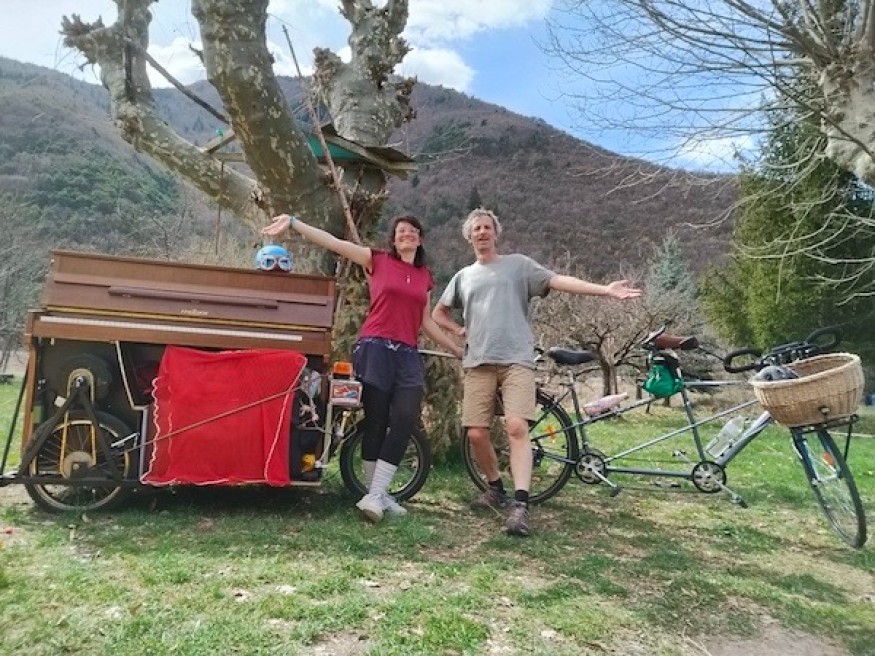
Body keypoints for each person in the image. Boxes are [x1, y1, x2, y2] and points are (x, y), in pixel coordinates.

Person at [431, 207, 642, 537]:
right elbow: (438, 312)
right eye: (476, 229)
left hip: (516, 360)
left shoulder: (518, 265)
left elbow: (557, 281)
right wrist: (459, 331)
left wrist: (604, 289)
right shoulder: (463, 276)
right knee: (476, 433)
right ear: (468, 237)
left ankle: (520, 505)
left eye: (487, 227)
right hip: (478, 362)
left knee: (516, 427)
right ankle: (495, 488)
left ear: (495, 234)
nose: (482, 232)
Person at [262, 212, 463, 522]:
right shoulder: (377, 260)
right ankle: (376, 494)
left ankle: (376, 494)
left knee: (405, 418)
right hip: (375, 348)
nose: (406, 234)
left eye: (412, 230)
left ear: (420, 239)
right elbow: (334, 243)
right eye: (400, 231)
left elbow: (425, 321)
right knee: (376, 421)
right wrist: (294, 222)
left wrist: (455, 348)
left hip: (407, 353)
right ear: (393, 239)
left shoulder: (425, 276)